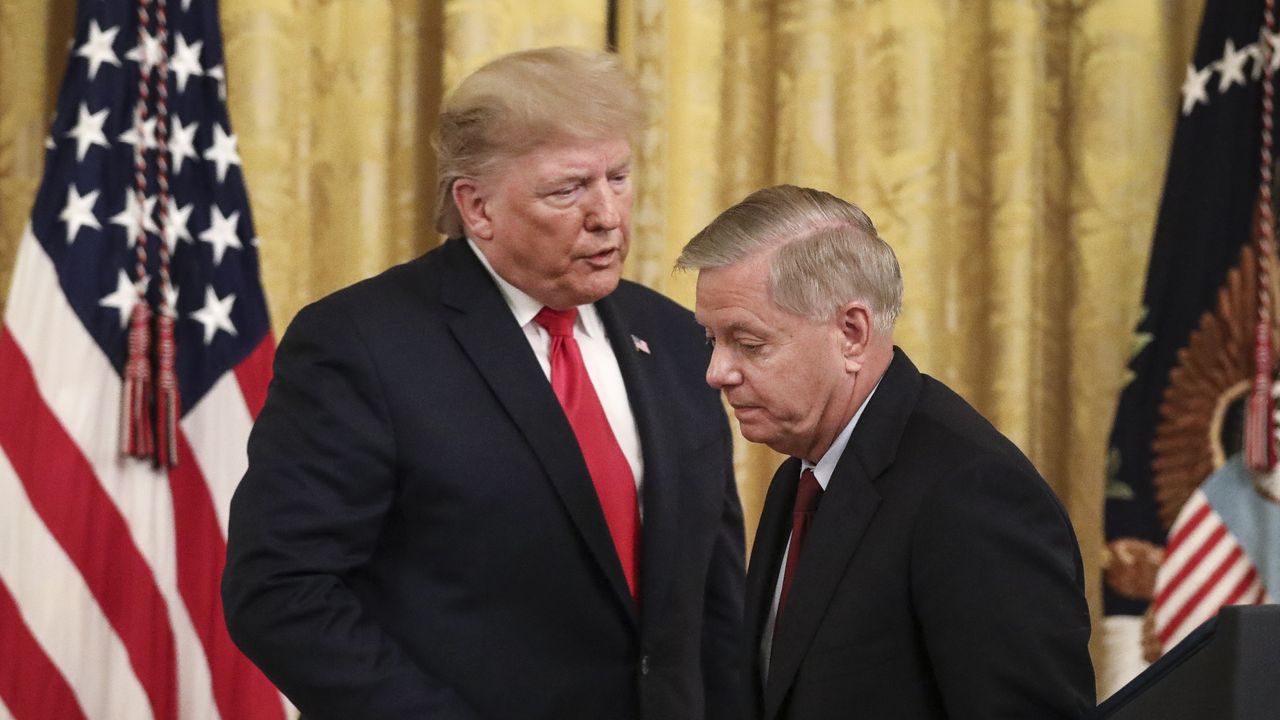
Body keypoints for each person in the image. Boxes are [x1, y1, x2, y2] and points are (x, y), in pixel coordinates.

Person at [222, 47, 745, 720]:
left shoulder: (674, 337)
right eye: (568, 189)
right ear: (476, 207)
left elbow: (713, 597)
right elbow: (281, 592)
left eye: (618, 176)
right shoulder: (363, 343)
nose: (608, 214)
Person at [677, 185, 1094, 719]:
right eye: (712, 341)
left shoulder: (973, 493)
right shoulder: (799, 477)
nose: (717, 373)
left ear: (851, 333)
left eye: (749, 343)